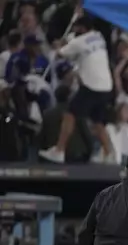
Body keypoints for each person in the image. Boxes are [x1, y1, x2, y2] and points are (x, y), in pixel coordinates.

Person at [38, 16, 115, 164]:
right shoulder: (99, 36)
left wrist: (58, 45)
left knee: (70, 114)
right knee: (97, 121)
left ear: (82, 28)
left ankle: (59, 151)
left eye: (76, 28)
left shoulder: (78, 42)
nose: (74, 30)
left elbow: (60, 53)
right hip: (106, 86)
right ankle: (109, 153)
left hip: (91, 86)